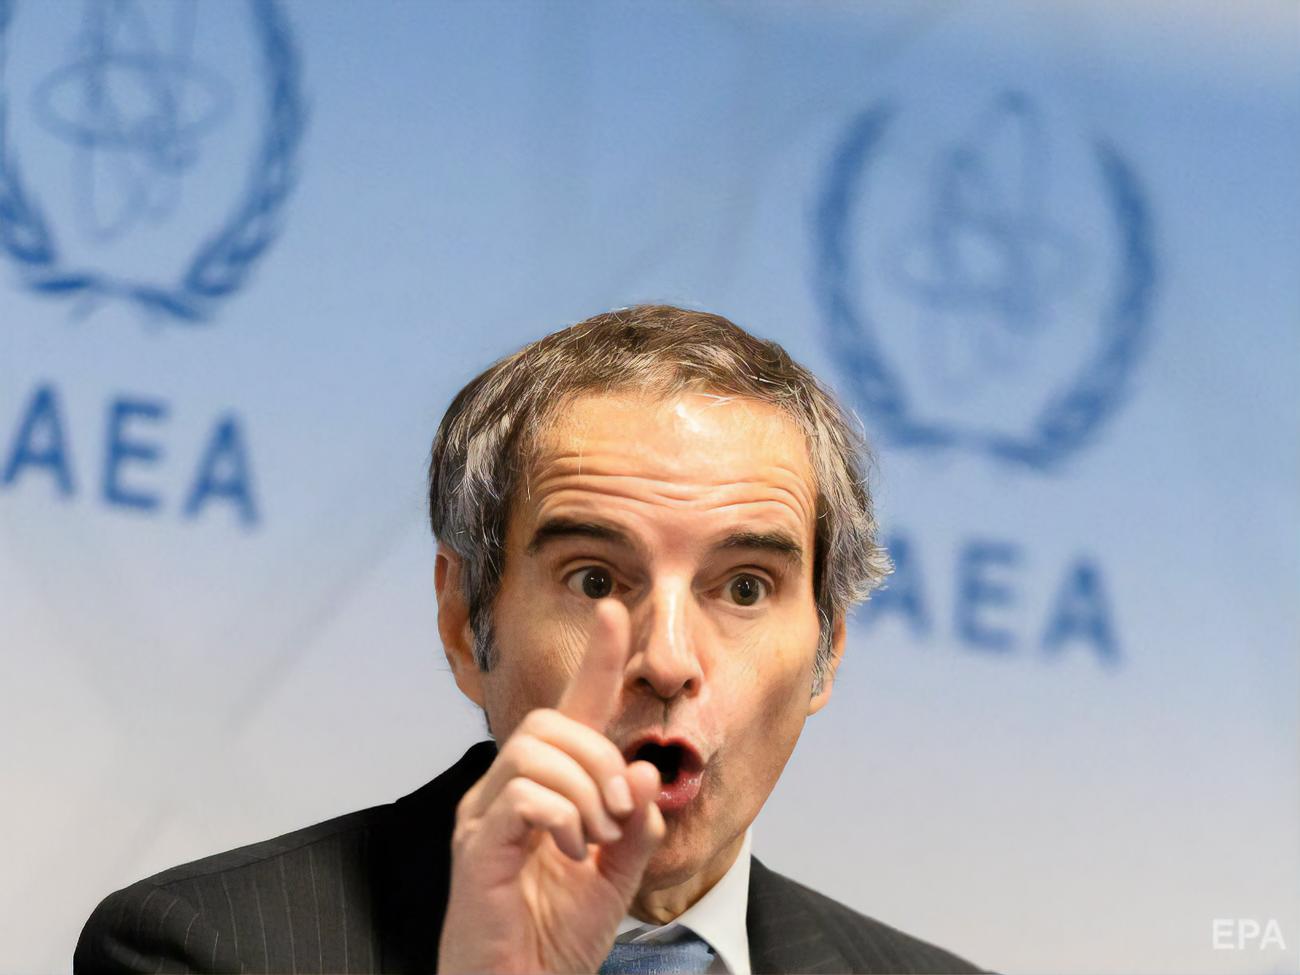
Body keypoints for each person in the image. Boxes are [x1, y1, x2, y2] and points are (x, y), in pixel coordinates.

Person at [75, 305, 983, 974]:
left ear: (829, 647)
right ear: (464, 621)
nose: (668, 660)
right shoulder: (200, 950)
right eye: (596, 581)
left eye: (745, 587)